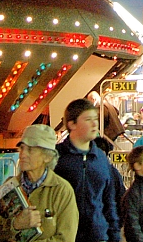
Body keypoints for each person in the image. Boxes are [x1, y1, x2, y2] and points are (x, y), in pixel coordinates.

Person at [0, 124, 78, 242]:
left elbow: (66, 238)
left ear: (47, 157)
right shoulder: (9, 186)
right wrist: (15, 225)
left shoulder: (61, 190)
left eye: (30, 150)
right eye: (21, 148)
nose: (22, 154)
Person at [55, 98, 120, 242]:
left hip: (98, 235)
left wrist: (114, 236)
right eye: (88, 119)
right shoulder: (56, 158)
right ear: (72, 123)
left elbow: (109, 202)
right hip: (66, 235)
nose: (94, 123)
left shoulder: (101, 160)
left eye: (95, 118)